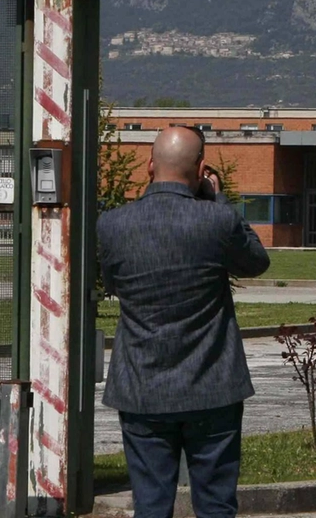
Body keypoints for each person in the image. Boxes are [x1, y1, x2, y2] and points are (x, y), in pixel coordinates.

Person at [98, 126, 271, 518]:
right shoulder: (217, 221)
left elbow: (113, 283)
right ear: (202, 168)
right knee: (215, 505)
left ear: (148, 167)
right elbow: (257, 262)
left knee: (151, 505)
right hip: (212, 386)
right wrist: (220, 201)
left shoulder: (112, 225)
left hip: (142, 387)